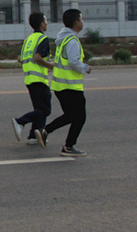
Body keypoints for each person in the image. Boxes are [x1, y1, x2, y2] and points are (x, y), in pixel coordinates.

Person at [35, 9, 90, 157]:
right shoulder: (71, 40)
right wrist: (86, 68)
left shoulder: (63, 39)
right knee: (80, 116)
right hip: (70, 86)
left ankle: (45, 131)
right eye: (81, 19)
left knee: (71, 115)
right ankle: (68, 146)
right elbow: (73, 62)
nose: (82, 22)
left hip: (60, 86)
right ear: (75, 22)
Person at [11, 12, 54, 145]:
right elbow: (37, 57)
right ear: (42, 23)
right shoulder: (42, 39)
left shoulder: (28, 40)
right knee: (45, 110)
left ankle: (34, 136)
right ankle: (20, 121)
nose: (47, 23)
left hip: (29, 79)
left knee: (39, 109)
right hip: (39, 79)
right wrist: (50, 65)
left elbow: (20, 59)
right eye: (46, 21)